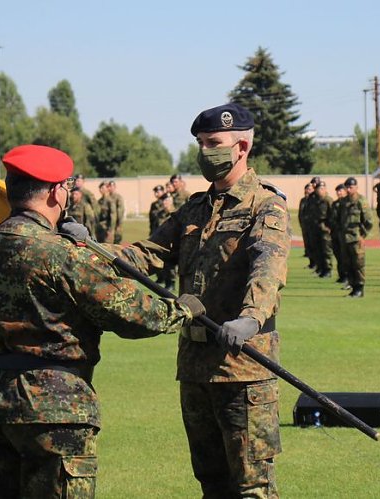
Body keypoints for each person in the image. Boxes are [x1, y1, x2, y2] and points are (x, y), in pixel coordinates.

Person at [0, 144, 206, 498]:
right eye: (64, 187)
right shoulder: (61, 253)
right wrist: (182, 311)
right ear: (54, 192)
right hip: (54, 406)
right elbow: (131, 314)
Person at [120, 103, 290, 497]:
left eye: (213, 143)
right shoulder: (195, 208)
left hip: (243, 369)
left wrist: (250, 318)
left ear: (242, 147)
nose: (204, 152)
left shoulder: (266, 206)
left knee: (253, 488)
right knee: (211, 483)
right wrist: (92, 248)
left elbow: (267, 267)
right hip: (195, 368)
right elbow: (149, 253)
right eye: (200, 143)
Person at [339, 176, 373, 297]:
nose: (348, 189)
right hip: (345, 238)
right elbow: (339, 219)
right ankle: (353, 287)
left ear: (356, 187)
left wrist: (362, 235)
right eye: (347, 187)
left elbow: (368, 221)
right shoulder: (343, 201)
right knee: (348, 264)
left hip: (356, 238)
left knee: (358, 264)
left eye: (351, 187)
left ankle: (359, 288)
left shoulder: (361, 201)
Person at [312, 181, 333, 278]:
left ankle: (328, 269)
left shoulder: (328, 200)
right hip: (316, 228)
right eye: (318, 189)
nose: (320, 191)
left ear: (325, 189)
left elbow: (333, 215)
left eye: (322, 189)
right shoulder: (315, 200)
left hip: (325, 229)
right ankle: (322, 269)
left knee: (326, 250)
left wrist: (330, 227)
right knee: (318, 249)